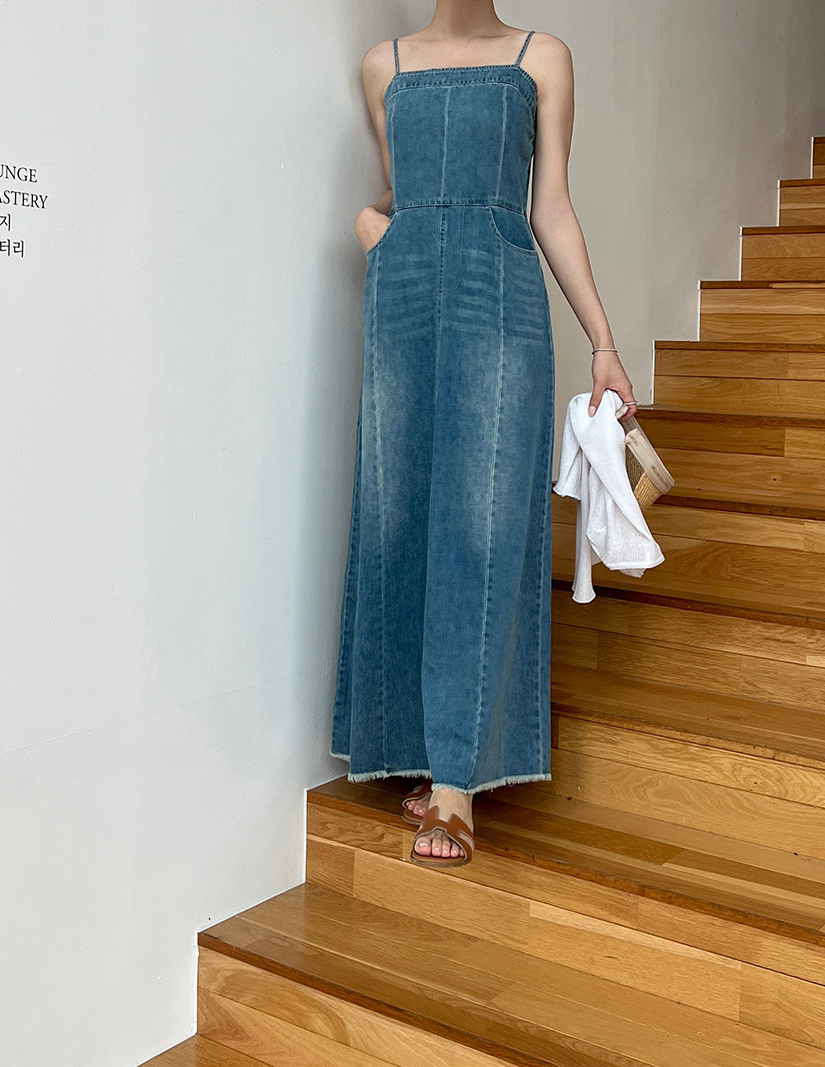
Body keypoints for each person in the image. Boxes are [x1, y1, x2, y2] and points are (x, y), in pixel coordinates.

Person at [331, 0, 638, 869]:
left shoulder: (542, 58)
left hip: (499, 298)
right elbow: (399, 187)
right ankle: (415, 748)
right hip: (402, 300)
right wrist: (370, 225)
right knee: (397, 512)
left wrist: (604, 342)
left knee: (483, 520)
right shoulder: (383, 65)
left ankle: (457, 782)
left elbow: (552, 206)